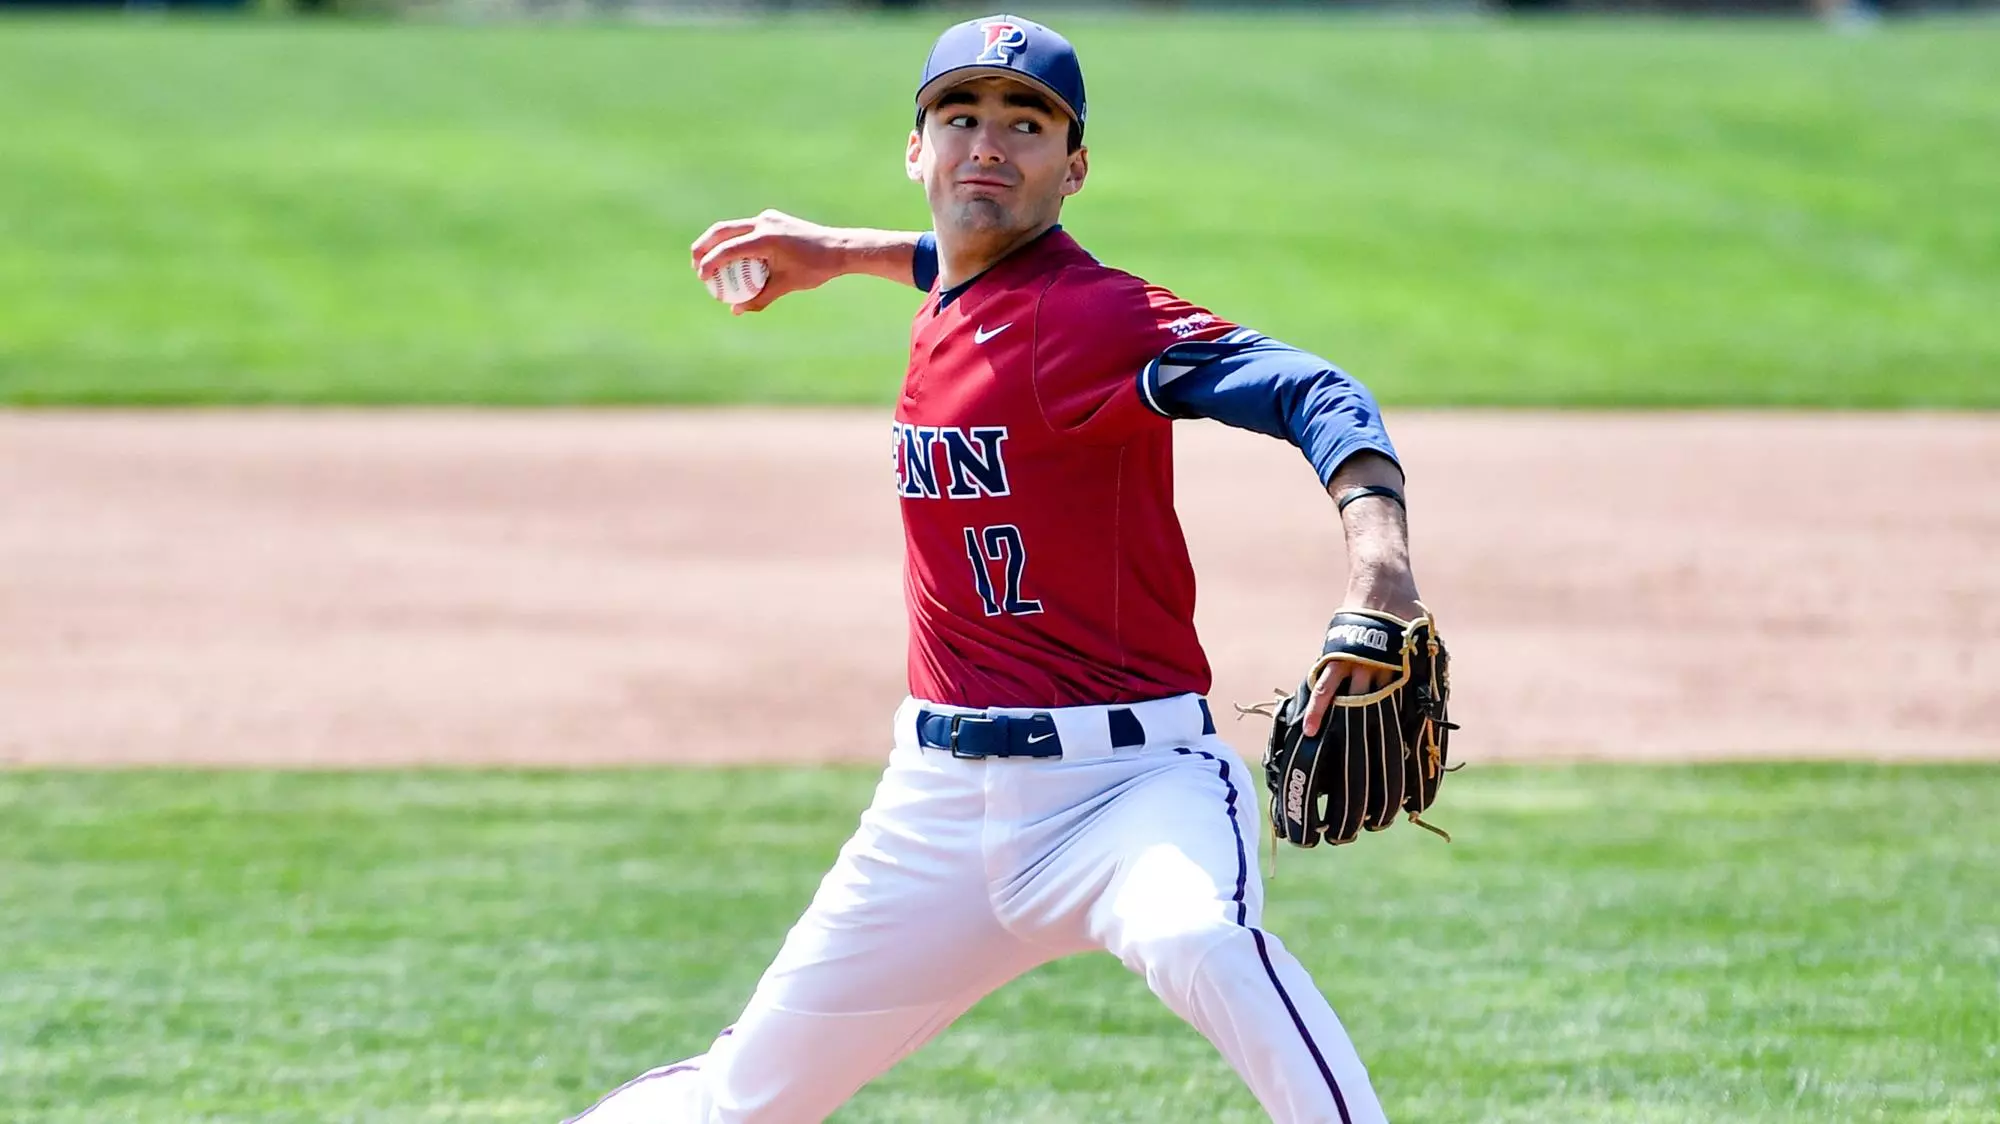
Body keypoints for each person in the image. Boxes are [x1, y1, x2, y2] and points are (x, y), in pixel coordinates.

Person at [567, 14, 1428, 1124]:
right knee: (745, 1097)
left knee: (1197, 937)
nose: (987, 143)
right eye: (959, 116)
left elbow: (1311, 390)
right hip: (933, 808)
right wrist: (838, 251)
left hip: (1131, 787)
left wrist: (1380, 567)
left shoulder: (1098, 316)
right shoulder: (960, 289)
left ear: (1073, 168)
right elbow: (955, 261)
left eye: (1026, 124)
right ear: (916, 149)